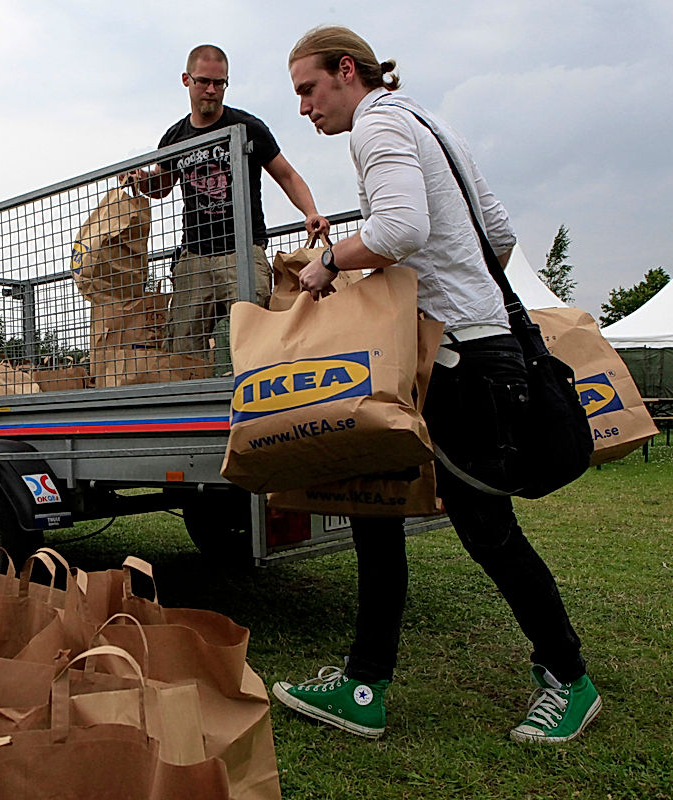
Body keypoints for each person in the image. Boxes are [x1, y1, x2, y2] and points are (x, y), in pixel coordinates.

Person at [273, 25, 601, 743]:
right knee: (376, 508)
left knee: (488, 531)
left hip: (463, 365)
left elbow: (398, 227)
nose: (303, 108)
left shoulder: (376, 125)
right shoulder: (427, 121)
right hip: (460, 350)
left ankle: (570, 678)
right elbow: (500, 232)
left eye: (308, 89)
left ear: (347, 72)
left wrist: (330, 261)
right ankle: (364, 683)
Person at [130, 44, 329, 358]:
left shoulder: (247, 126)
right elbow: (162, 186)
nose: (211, 90)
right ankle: (194, 407)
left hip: (243, 253)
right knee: (182, 349)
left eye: (219, 83)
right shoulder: (175, 137)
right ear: (186, 80)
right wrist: (141, 181)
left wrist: (311, 212)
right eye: (204, 82)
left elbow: (287, 175)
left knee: (256, 344)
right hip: (194, 255)